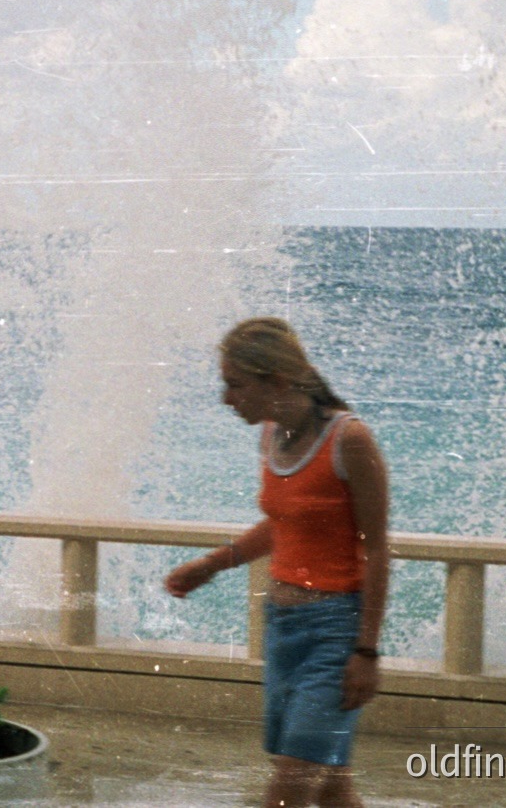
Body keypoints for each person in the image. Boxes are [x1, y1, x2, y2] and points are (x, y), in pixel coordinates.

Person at [165, 317, 389, 808]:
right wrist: (213, 564)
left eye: (235, 385)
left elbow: (376, 549)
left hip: (335, 631)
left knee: (289, 786)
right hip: (283, 628)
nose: (226, 398)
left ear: (279, 382)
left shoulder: (350, 440)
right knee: (329, 782)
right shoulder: (270, 437)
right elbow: (285, 524)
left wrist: (366, 653)